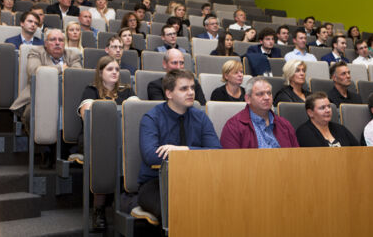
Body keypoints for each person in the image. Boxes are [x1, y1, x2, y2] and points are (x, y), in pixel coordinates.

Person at [136, 69, 221, 220]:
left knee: (222, 202)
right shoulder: (152, 118)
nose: (191, 92)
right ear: (169, 93)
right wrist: (195, 153)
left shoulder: (200, 117)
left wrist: (183, 150)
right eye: (184, 88)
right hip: (157, 183)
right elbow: (151, 156)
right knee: (178, 209)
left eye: (192, 88)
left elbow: (216, 152)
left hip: (194, 179)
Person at [69, 55, 136, 230]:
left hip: (121, 137)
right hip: (95, 138)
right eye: (109, 69)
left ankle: (128, 203)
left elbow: (135, 112)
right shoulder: (91, 90)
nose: (114, 72)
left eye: (116, 69)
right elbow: (87, 115)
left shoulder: (126, 91)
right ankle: (98, 209)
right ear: (100, 72)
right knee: (104, 153)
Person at [9, 29, 82, 134]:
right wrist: (61, 68)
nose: (57, 42)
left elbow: (77, 74)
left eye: (61, 40)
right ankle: (39, 145)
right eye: (53, 39)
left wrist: (48, 70)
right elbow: (35, 72)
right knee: (31, 112)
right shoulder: (36, 52)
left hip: (66, 97)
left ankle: (68, 143)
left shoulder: (73, 54)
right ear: (45, 43)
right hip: (39, 96)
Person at [220, 76, 299, 149]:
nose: (267, 97)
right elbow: (230, 161)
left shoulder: (284, 125)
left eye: (269, 93)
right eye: (260, 94)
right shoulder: (234, 126)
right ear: (248, 99)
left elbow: (297, 157)